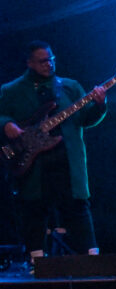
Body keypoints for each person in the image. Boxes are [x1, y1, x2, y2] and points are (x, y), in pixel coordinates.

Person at [0, 42, 107, 264]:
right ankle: (36, 261)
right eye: (42, 61)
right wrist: (6, 124)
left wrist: (99, 105)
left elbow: (86, 119)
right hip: (32, 163)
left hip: (67, 160)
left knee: (77, 207)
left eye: (51, 60)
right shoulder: (11, 90)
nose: (49, 64)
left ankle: (92, 260)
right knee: (34, 209)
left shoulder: (69, 86)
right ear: (29, 63)